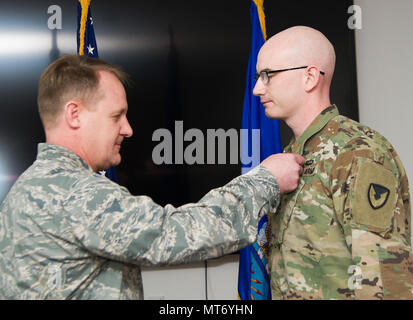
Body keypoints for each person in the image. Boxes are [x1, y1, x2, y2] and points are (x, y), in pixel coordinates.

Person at [0, 54, 304, 300]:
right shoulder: (76, 192)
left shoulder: (25, 189)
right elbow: (173, 235)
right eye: (116, 116)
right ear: (74, 115)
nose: (128, 128)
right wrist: (265, 180)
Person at [253, 26, 413, 300]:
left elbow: (385, 283)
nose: (258, 88)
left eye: (268, 75)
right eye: (259, 77)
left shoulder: (357, 152)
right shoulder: (291, 155)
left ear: (310, 77)